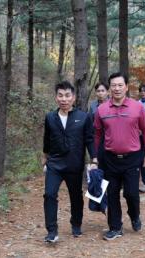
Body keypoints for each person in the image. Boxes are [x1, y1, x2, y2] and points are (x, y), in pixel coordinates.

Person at [94, 72, 145, 241]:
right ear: (109, 88)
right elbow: (97, 134)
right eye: (114, 85)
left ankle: (134, 215)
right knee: (112, 193)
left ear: (126, 87)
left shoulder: (137, 107)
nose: (117, 88)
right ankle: (115, 227)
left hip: (133, 157)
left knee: (131, 194)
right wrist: (95, 157)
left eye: (120, 85)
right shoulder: (102, 109)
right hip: (109, 159)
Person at [42, 81, 97, 242]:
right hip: (55, 164)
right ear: (56, 97)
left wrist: (94, 159)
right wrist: (45, 156)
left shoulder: (83, 117)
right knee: (49, 195)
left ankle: (76, 224)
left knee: (75, 195)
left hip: (74, 164)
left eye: (67, 95)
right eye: (60, 95)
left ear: (73, 98)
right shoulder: (50, 117)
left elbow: (89, 139)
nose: (63, 99)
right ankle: (52, 231)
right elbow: (47, 138)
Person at [89, 82, 109, 169]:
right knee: (96, 160)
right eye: (98, 91)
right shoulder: (93, 105)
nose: (100, 93)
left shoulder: (112, 103)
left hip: (109, 137)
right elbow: (90, 120)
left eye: (103, 91)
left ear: (107, 92)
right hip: (96, 136)